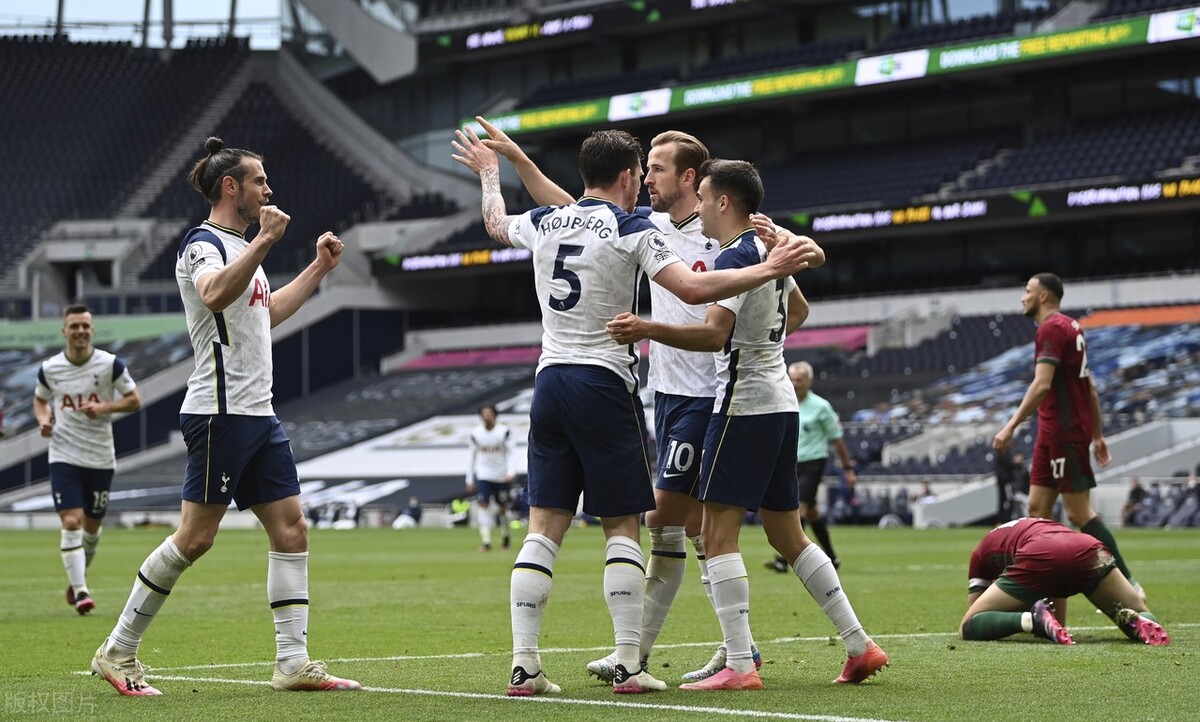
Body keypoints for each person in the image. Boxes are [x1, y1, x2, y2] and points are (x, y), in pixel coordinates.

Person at [451, 126, 814, 696]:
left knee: (542, 528)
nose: (644, 181)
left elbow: (498, 222)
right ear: (626, 176)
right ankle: (629, 663)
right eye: (640, 171)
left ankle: (525, 667)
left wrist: (494, 173)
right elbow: (695, 294)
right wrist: (773, 268)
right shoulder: (635, 227)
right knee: (623, 525)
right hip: (604, 383)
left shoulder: (550, 222)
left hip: (547, 383)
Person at [91, 138, 360, 696]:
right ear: (231, 187)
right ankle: (117, 650)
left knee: (292, 528)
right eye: (259, 181)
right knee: (195, 539)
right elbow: (213, 293)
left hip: (257, 413)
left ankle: (292, 661)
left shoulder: (242, 249)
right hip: (218, 413)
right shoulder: (202, 244)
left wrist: (317, 268)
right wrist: (265, 239)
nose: (269, 189)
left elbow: (268, 314)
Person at [606, 159, 888, 690]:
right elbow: (798, 309)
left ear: (722, 202)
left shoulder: (739, 255)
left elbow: (714, 335)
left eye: (707, 200)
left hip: (741, 404)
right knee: (789, 533)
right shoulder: (768, 250)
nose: (704, 216)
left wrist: (646, 328)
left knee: (716, 533)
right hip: (781, 402)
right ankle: (858, 644)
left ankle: (739, 663)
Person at [992, 273, 1139, 597]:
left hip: (1063, 431)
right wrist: (1098, 435)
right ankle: (1042, 594)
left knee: (1077, 512)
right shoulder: (1072, 328)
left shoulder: (1051, 328)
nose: (1022, 297)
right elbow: (1091, 388)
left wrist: (1010, 425)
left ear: (1044, 296)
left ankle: (1129, 584)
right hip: (1053, 432)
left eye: (1028, 291)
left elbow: (1042, 384)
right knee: (1037, 509)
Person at [34, 304, 142, 615]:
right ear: (64, 331)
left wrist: (104, 408)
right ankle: (81, 591)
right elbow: (40, 399)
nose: (80, 331)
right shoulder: (50, 368)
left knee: (92, 528)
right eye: (74, 326)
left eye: (85, 326)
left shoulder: (110, 364)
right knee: (71, 520)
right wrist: (43, 420)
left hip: (100, 457)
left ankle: (77, 575)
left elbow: (135, 399)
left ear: (91, 330)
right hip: (64, 454)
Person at [960, 517, 1168, 646]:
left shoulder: (980, 552)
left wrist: (1025, 611)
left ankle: (1029, 620)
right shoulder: (1034, 524)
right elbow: (1057, 600)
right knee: (1139, 610)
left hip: (1040, 554)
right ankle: (1134, 619)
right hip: (1088, 547)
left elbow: (976, 617)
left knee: (967, 626)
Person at [768, 361, 856, 573]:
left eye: (800, 379)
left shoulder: (821, 406)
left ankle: (785, 558)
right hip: (791, 463)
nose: (795, 383)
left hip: (813, 463)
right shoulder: (784, 402)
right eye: (793, 379)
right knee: (813, 512)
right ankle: (832, 558)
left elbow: (838, 439)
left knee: (800, 507)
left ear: (810, 381)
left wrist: (847, 468)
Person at [466, 403, 517, 551]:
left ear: (495, 414)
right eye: (484, 413)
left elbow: (512, 452)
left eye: (489, 413)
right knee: (483, 505)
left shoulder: (504, 431)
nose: (487, 415)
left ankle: (505, 537)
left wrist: (511, 472)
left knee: (502, 508)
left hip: (501, 476)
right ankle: (486, 542)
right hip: (484, 474)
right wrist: (469, 479)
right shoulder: (476, 434)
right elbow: (471, 456)